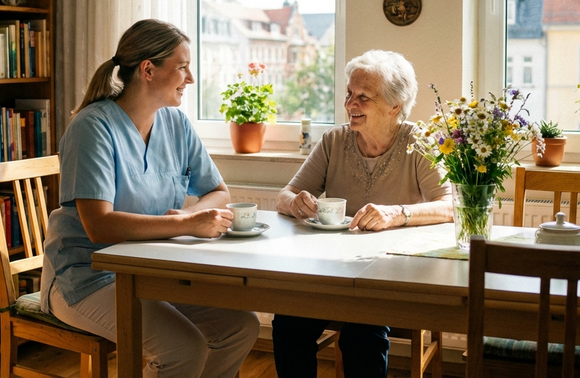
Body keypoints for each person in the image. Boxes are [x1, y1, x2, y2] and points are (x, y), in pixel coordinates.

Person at [40, 19, 260, 378]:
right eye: (183, 67)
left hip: (150, 273)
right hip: (85, 277)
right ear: (148, 70)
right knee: (183, 348)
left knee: (240, 327)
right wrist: (185, 224)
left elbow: (219, 192)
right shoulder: (92, 128)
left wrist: (193, 216)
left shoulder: (176, 124)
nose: (190, 79)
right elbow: (99, 226)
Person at [272, 49, 453, 378]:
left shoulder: (419, 141)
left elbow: (450, 205)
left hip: (392, 277)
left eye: (363, 97)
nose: (350, 104)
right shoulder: (334, 140)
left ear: (394, 105)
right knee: (288, 324)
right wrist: (295, 202)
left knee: (362, 334)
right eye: (349, 94)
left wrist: (396, 214)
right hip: (334, 274)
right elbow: (285, 195)